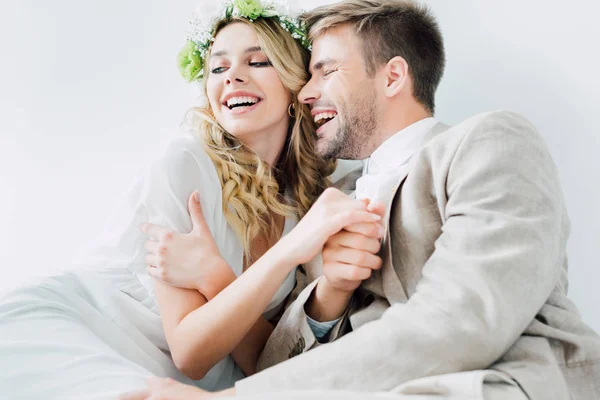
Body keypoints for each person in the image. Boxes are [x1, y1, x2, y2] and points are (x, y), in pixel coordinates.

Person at [122, 0, 600, 399]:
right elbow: (271, 364)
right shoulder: (328, 202)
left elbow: (462, 324)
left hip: (502, 383)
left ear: (393, 77)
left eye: (325, 71)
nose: (305, 92)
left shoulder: (490, 141)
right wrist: (328, 296)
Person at [0, 1, 385, 398]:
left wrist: (214, 276)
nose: (232, 77)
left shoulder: (306, 194)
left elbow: (266, 360)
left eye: (257, 62)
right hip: (83, 332)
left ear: (293, 86)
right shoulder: (185, 165)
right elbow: (190, 352)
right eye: (218, 68)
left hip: (195, 379)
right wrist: (288, 252)